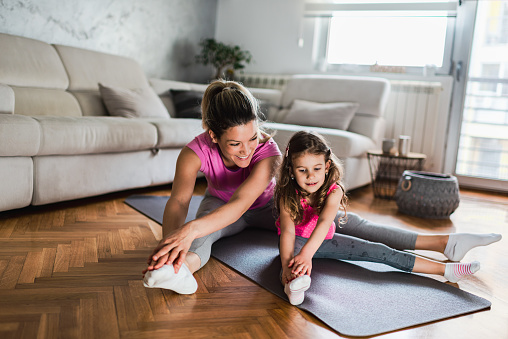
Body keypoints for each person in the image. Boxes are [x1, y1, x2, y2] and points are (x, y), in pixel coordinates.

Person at [275, 131, 502, 305]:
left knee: (373, 238)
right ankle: (445, 270)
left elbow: (325, 223)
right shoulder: (286, 192)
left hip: (319, 237)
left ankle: (448, 246)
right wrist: (290, 263)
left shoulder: (334, 191)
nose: (310, 176)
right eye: (302, 170)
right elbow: (287, 231)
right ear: (291, 170)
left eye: (316, 168)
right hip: (298, 242)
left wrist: (307, 255)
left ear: (326, 166)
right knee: (378, 252)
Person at [142, 79, 282, 294]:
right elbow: (179, 202)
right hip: (219, 203)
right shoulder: (193, 153)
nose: (246, 150)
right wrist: (170, 246)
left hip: (267, 207)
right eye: (235, 143)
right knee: (197, 239)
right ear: (214, 136)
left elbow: (240, 204)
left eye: (252, 138)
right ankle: (177, 272)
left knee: (319, 224)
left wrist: (189, 228)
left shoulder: (269, 152)